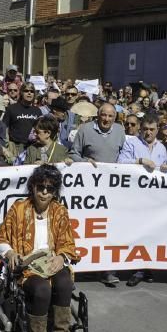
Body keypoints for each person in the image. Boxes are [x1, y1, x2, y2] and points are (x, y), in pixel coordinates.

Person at [0, 165, 79, 332]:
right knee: (42, 288)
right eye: (40, 187)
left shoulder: (59, 211)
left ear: (54, 191)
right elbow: (1, 238)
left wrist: (61, 256)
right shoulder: (18, 208)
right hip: (27, 266)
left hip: (51, 261)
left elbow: (68, 242)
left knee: (65, 283)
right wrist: (9, 253)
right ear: (32, 186)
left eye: (50, 189)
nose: (44, 192)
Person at [70, 102, 126, 286]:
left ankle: (109, 270)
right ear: (98, 115)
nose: (106, 119)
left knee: (110, 229)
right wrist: (85, 162)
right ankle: (83, 266)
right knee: (89, 228)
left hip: (112, 189)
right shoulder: (85, 130)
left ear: (115, 118)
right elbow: (73, 153)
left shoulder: (120, 131)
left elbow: (124, 156)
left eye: (110, 116)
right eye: (103, 115)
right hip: (89, 189)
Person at [117, 112, 167, 287]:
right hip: (135, 198)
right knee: (137, 234)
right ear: (140, 128)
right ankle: (137, 270)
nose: (148, 133)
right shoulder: (131, 143)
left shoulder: (162, 148)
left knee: (151, 234)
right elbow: (120, 163)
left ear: (157, 130)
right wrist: (139, 160)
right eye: (145, 129)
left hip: (154, 199)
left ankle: (148, 268)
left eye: (152, 129)